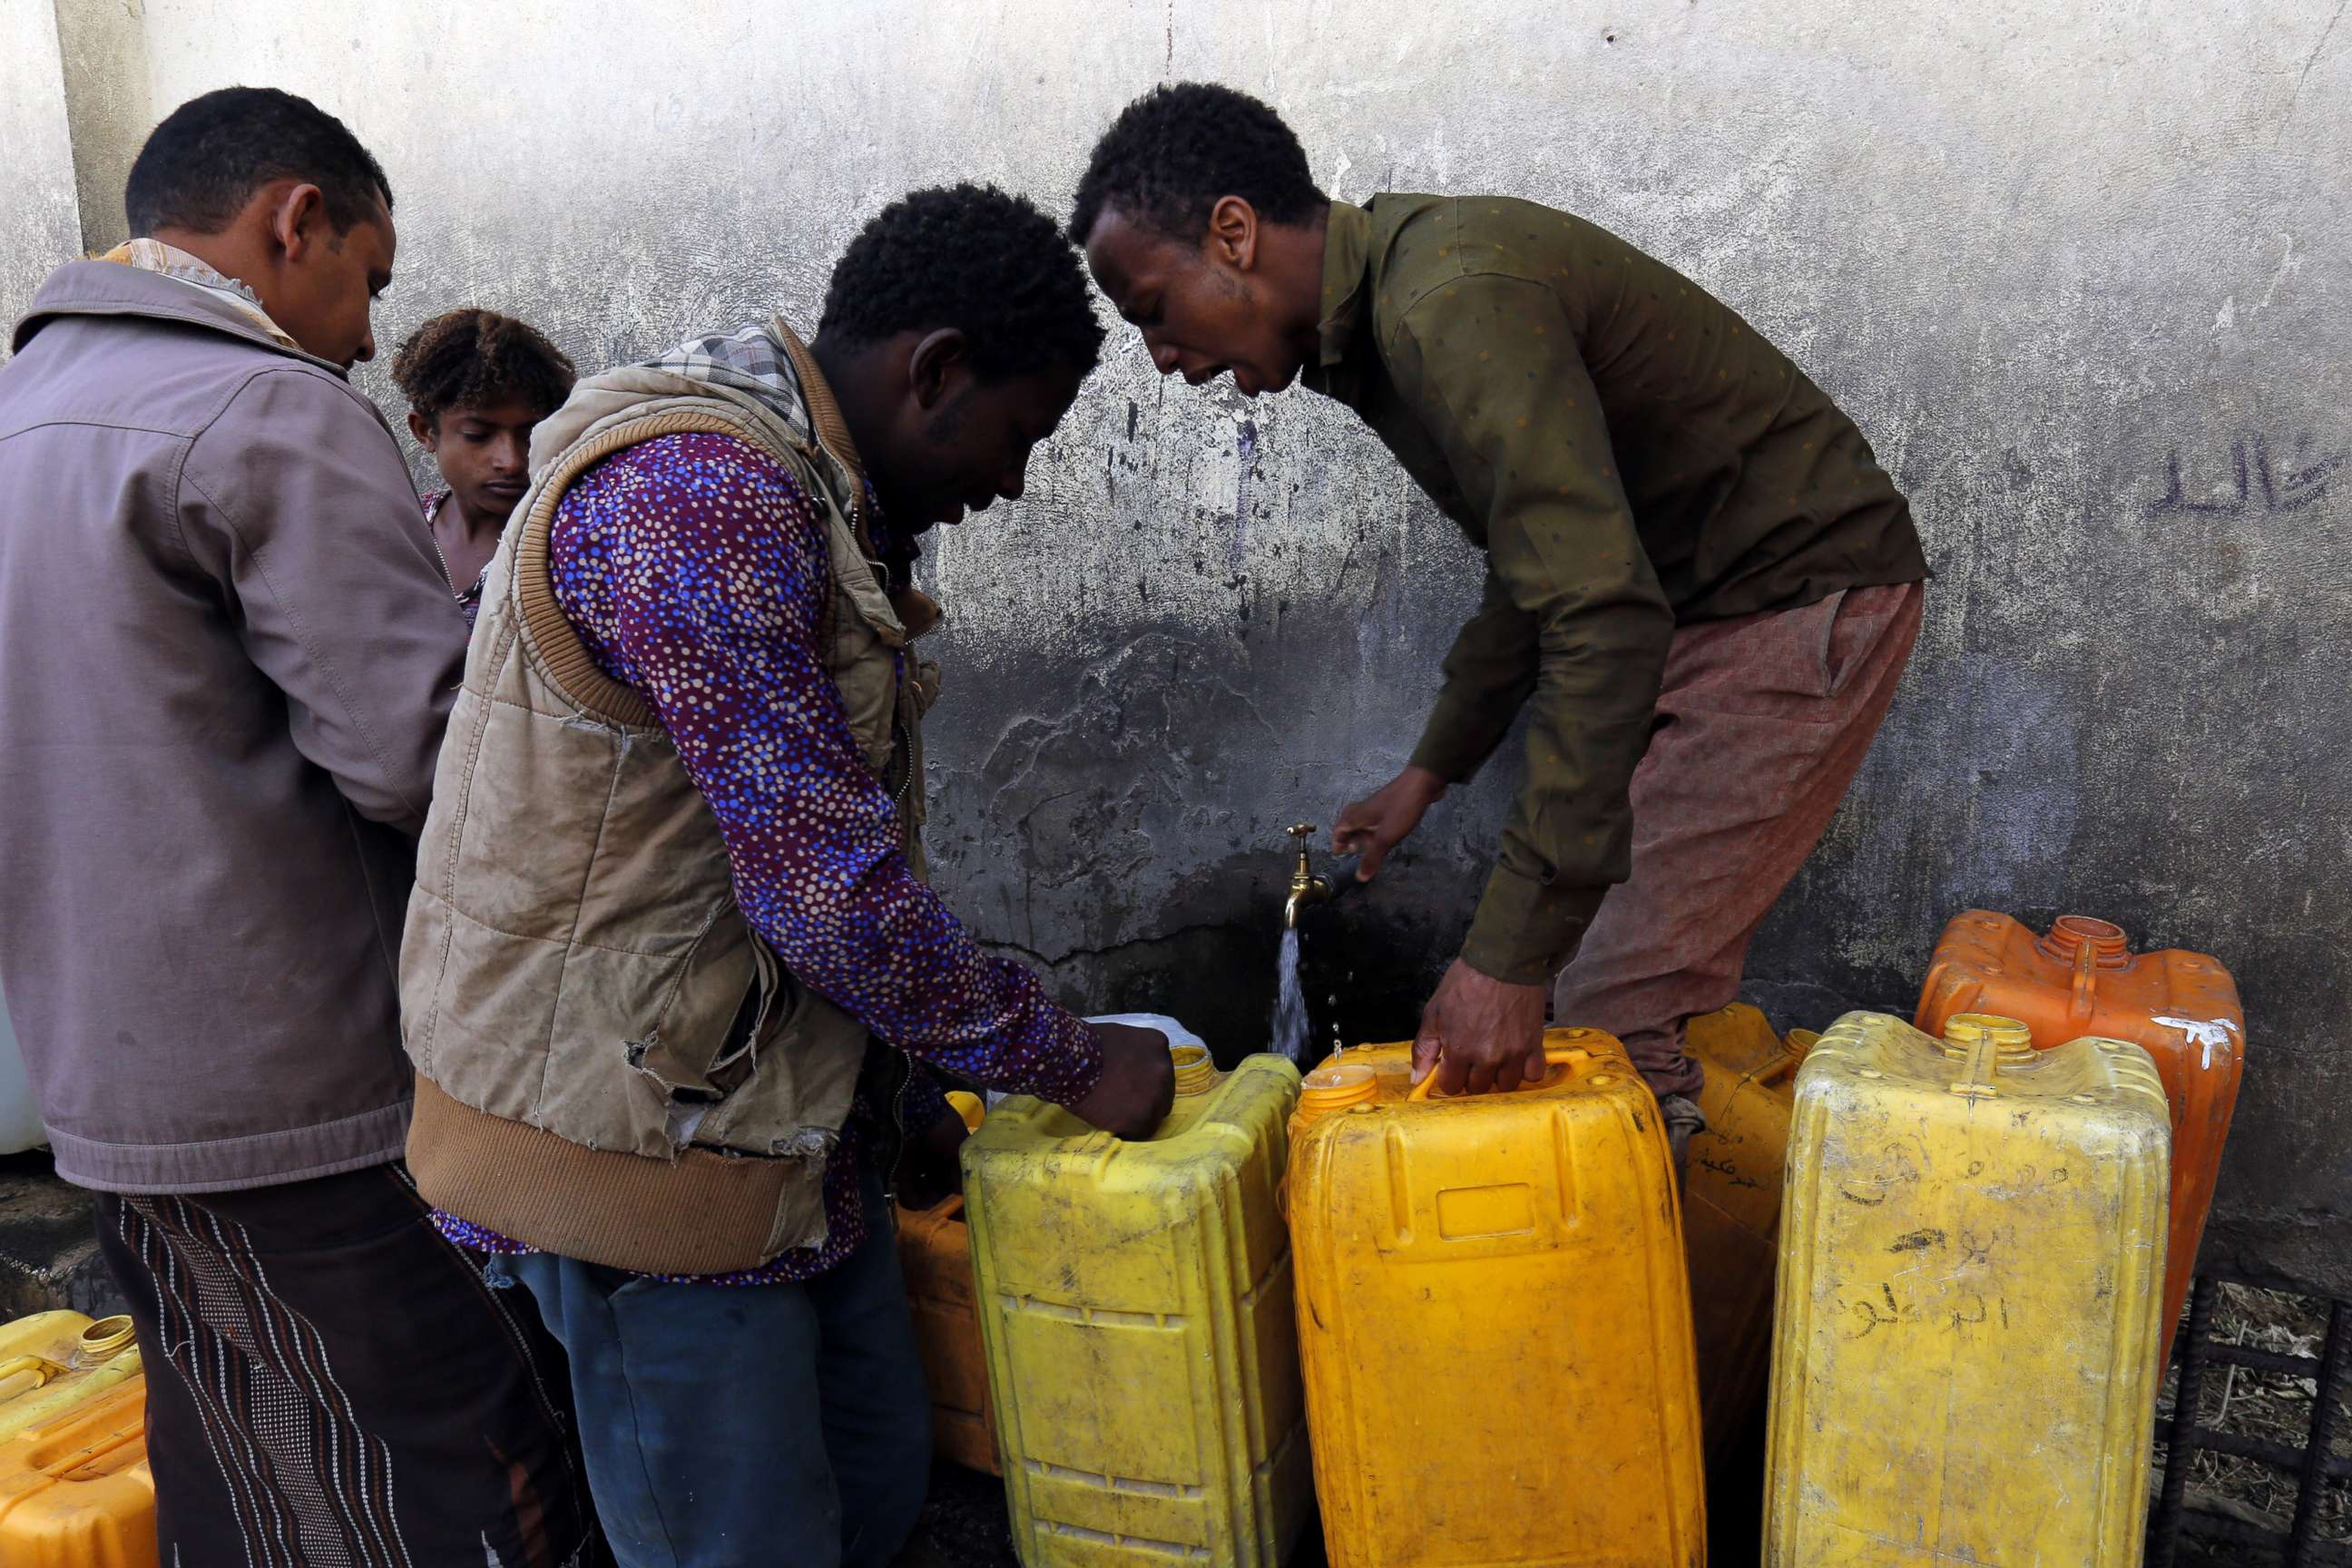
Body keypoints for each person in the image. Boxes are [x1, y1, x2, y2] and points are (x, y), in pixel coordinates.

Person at [399, 181, 1177, 1568]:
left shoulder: (812, 491)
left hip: (773, 1130)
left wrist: (899, 1089)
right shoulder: (699, 502)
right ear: (934, 370)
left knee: (875, 1494)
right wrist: (1062, 1057)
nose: (1013, 483)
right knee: (742, 1542)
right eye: (1018, 435)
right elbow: (824, 892)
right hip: (632, 1154)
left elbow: (786, 849)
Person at [1072, 83, 1929, 1156]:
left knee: (1603, 1004)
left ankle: (1669, 1302)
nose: (1160, 355)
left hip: (1795, 603)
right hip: (1701, 607)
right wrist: (1429, 774)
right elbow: (1539, 566)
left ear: (1232, 234)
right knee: (1577, 988)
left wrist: (1504, 963)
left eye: (1154, 308)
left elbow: (1599, 614)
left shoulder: (1445, 303)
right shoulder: (1383, 322)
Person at [0, 87, 600, 1563]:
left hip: (99, 1078)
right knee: (479, 1449)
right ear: (297, 220)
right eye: (369, 279)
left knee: (238, 1443)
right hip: (286, 1079)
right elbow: (422, 755)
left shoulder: (22, 418)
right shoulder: (267, 407)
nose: (358, 328)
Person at [389, 307, 577, 630]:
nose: (512, 461)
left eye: (531, 435)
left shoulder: (566, 548)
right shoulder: (401, 533)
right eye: (479, 436)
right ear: (424, 431)